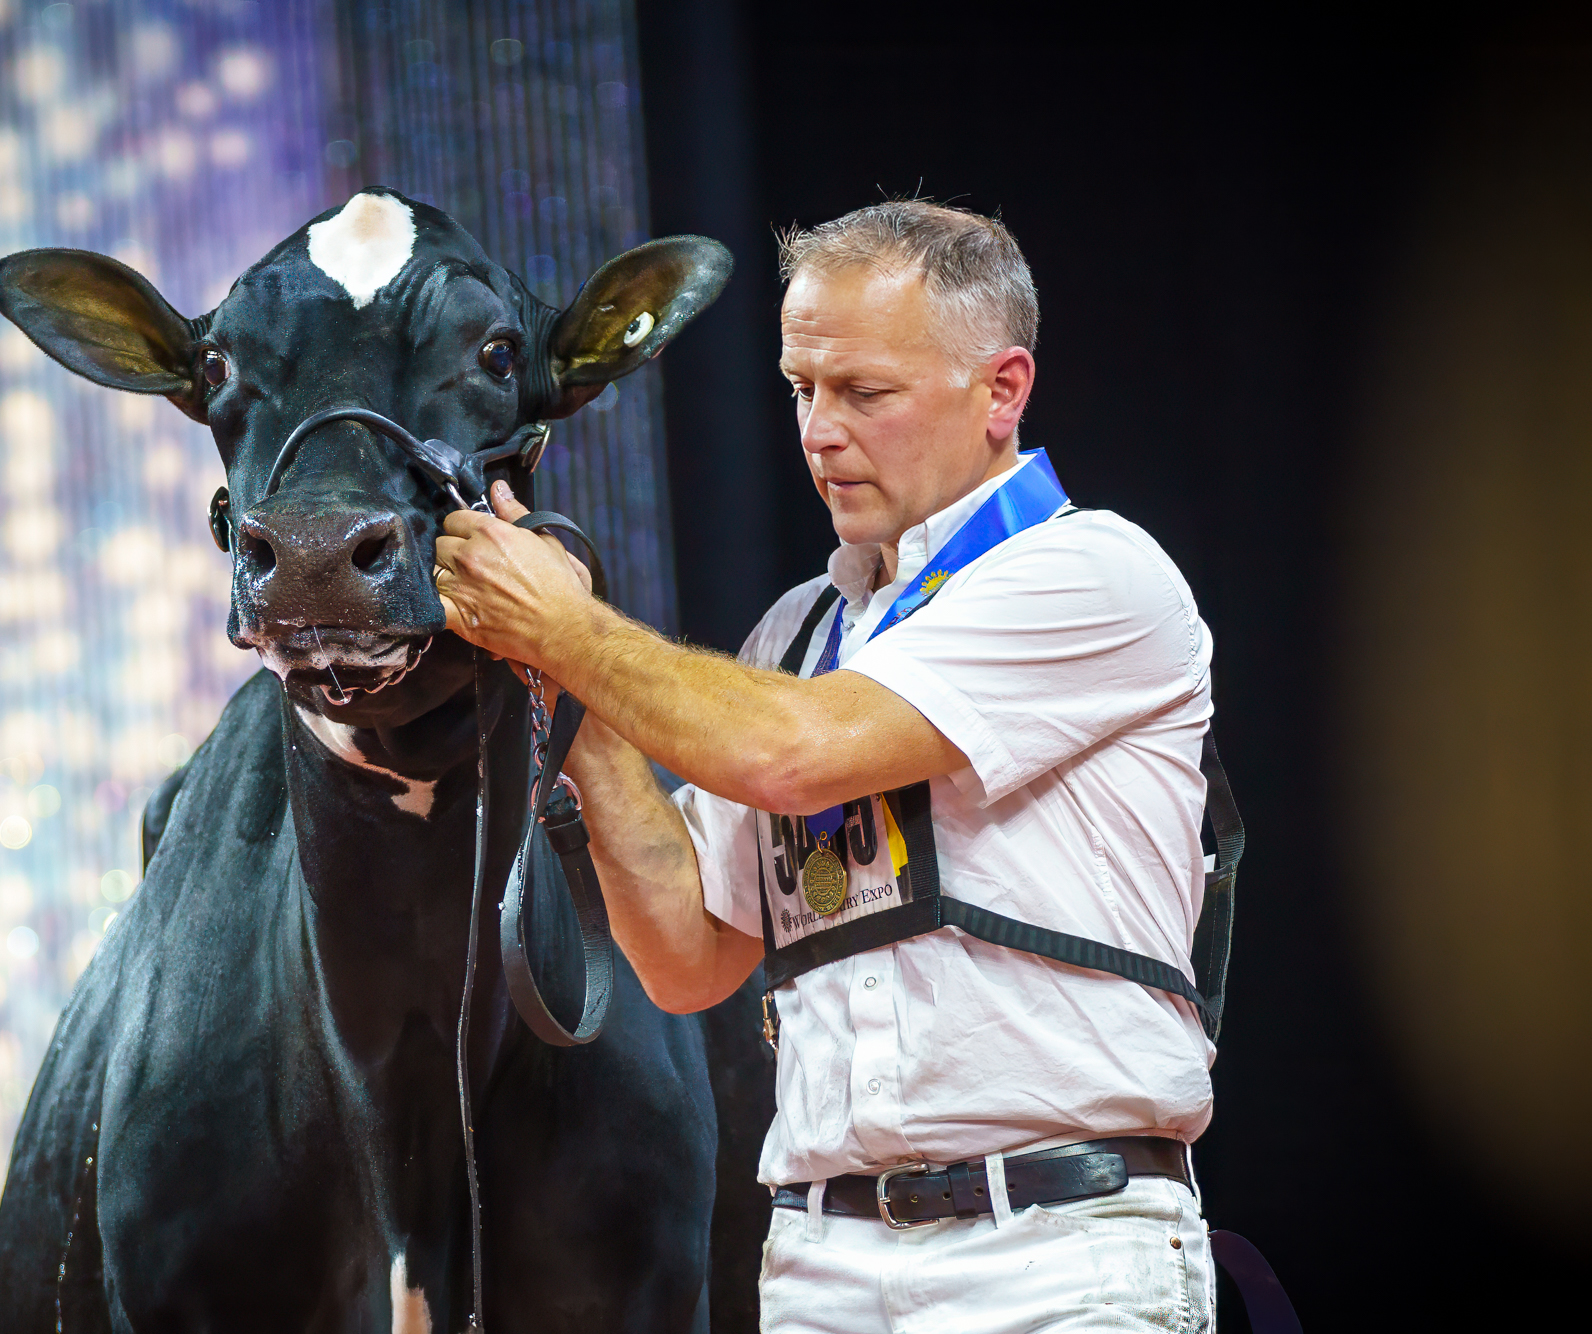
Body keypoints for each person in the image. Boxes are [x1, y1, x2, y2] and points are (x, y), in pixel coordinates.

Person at [433, 200, 1219, 1333]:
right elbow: (686, 956)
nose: (818, 431)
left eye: (863, 392)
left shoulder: (1094, 573)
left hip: (1054, 1252)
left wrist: (570, 628)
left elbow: (789, 754)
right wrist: (577, 700)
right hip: (819, 1260)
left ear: (1001, 390)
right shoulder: (798, 635)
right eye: (801, 388)